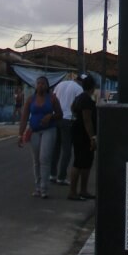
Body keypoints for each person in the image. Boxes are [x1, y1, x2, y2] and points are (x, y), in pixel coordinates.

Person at [18, 76, 61, 198]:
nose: (40, 85)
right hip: (34, 131)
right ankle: (37, 187)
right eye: (38, 83)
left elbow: (60, 114)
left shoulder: (52, 99)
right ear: (36, 86)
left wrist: (50, 117)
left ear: (47, 86)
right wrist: (20, 134)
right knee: (36, 160)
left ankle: (44, 188)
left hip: (49, 130)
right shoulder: (31, 99)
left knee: (44, 158)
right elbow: (24, 117)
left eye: (43, 83)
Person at [68, 73, 98, 201]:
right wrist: (92, 137)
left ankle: (83, 190)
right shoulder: (86, 99)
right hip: (83, 134)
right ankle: (73, 192)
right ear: (93, 87)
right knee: (79, 162)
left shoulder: (80, 97)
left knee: (86, 162)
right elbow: (87, 119)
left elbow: (72, 109)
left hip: (78, 131)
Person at [50, 73, 84, 186]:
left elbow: (53, 99)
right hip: (68, 120)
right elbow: (78, 106)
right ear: (81, 82)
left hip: (56, 118)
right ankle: (61, 177)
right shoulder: (79, 89)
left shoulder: (60, 84)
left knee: (56, 147)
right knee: (67, 150)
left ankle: (52, 175)